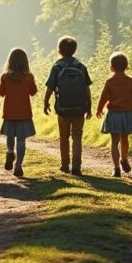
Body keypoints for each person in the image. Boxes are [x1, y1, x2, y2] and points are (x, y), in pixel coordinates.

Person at [43, 36, 92, 175]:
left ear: (59, 50)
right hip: (79, 109)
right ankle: (76, 166)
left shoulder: (57, 67)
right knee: (77, 136)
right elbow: (87, 88)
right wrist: (89, 106)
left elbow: (50, 88)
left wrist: (46, 102)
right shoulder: (81, 67)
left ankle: (65, 164)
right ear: (75, 50)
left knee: (64, 137)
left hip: (62, 109)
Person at [96, 52, 132, 178]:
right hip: (127, 114)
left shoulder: (109, 82)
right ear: (127, 66)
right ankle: (124, 159)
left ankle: (116, 169)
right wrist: (127, 99)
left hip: (114, 114)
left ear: (111, 67)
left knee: (114, 142)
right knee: (124, 139)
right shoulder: (131, 81)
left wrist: (99, 109)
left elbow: (103, 98)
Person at [0, 48, 37, 178]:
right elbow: (33, 92)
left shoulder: (5, 76)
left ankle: (9, 151)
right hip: (24, 113)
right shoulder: (28, 77)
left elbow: (1, 93)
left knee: (10, 135)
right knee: (21, 140)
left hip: (9, 112)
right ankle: (18, 165)